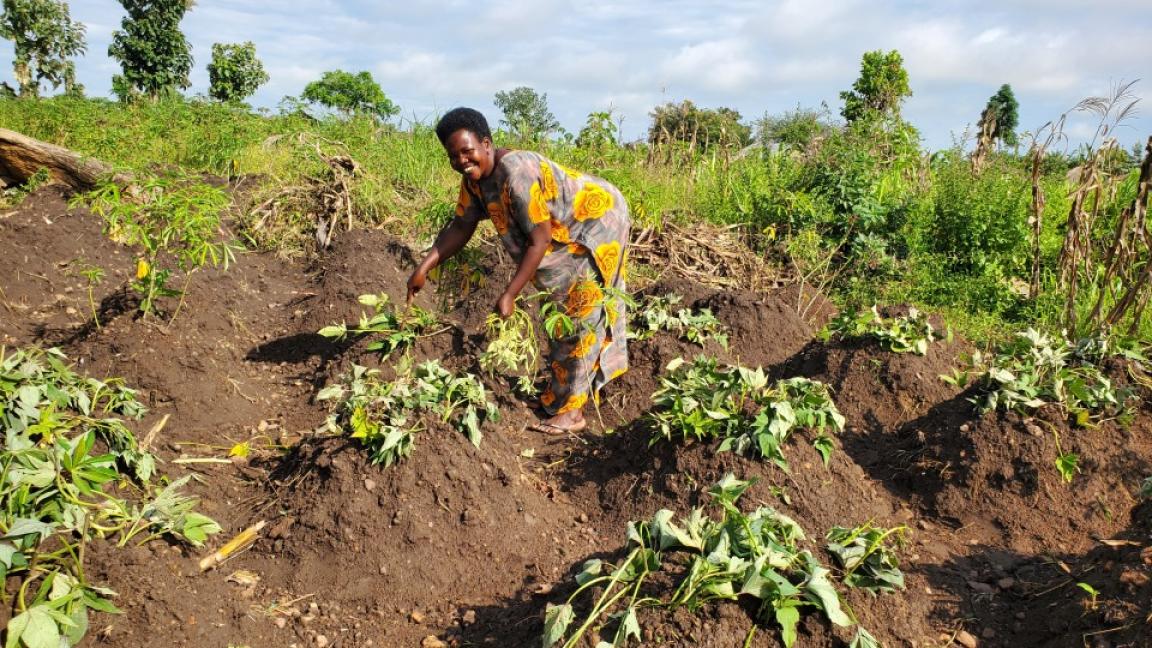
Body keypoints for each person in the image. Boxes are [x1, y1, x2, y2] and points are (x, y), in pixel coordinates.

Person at [407, 107, 630, 434]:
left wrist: (510, 293)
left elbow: (537, 242)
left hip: (595, 224)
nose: (461, 162)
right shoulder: (475, 181)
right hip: (562, 231)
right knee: (558, 311)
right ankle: (558, 397)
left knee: (580, 313)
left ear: (486, 144)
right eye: (453, 157)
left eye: (467, 152)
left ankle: (572, 413)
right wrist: (423, 268)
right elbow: (461, 224)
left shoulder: (516, 173)